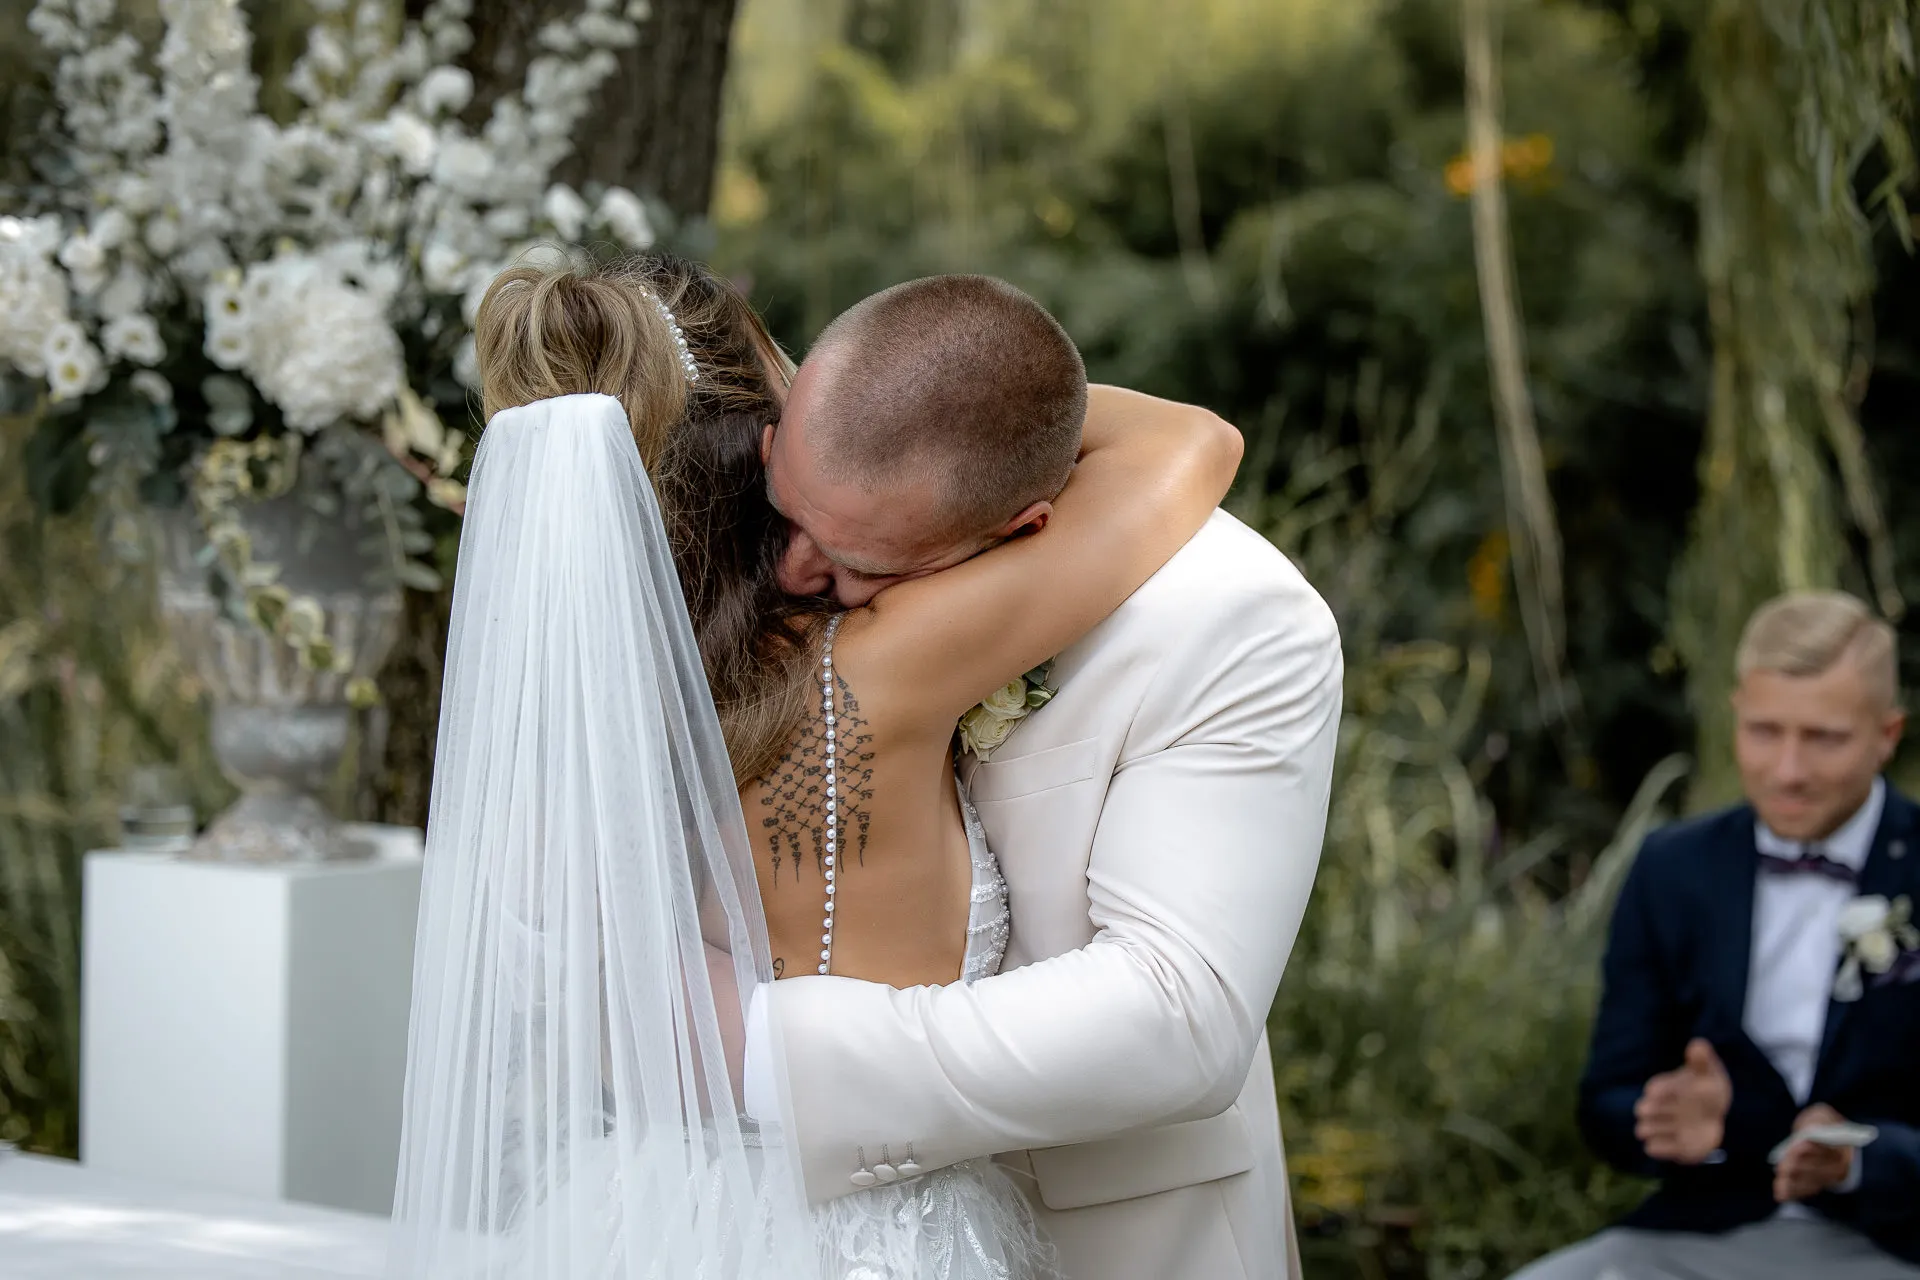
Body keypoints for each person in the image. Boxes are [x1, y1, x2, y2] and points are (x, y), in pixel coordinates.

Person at [388, 253, 1300, 1278]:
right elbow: (1191, 438)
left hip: (626, 1216)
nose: (800, 564)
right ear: (759, 429)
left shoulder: (567, 718)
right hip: (885, 1237)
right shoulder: (885, 661)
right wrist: (917, 406)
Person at [743, 275, 1344, 1280]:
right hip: (815, 1222)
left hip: (1111, 1236)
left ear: (1020, 525)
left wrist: (766, 1049)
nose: (795, 573)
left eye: (853, 561)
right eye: (786, 517)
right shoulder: (837, 474)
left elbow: (1176, 1010)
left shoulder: (1239, 620)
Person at [1512, 591, 1920, 1280]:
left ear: (1887, 735)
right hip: (1701, 1234)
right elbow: (1607, 1098)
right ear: (1735, 714)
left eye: (1823, 738)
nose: (1787, 770)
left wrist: (1862, 1160)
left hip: (1892, 1241)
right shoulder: (1674, 868)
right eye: (1764, 731)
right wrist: (1676, 1123)